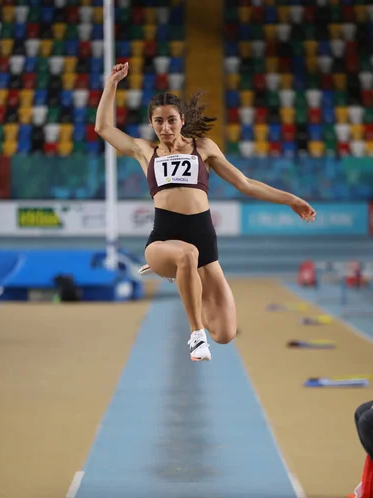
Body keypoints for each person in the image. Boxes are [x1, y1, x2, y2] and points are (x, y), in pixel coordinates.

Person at [95, 62, 316, 362]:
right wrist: (112, 84)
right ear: (151, 124)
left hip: (205, 245)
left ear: (182, 120)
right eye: (158, 122)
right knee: (185, 255)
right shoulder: (144, 151)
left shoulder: (204, 148)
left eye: (171, 120)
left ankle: (180, 274)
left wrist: (290, 199)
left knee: (225, 334)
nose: (165, 128)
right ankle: (196, 334)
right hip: (163, 241)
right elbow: (103, 128)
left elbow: (245, 183)